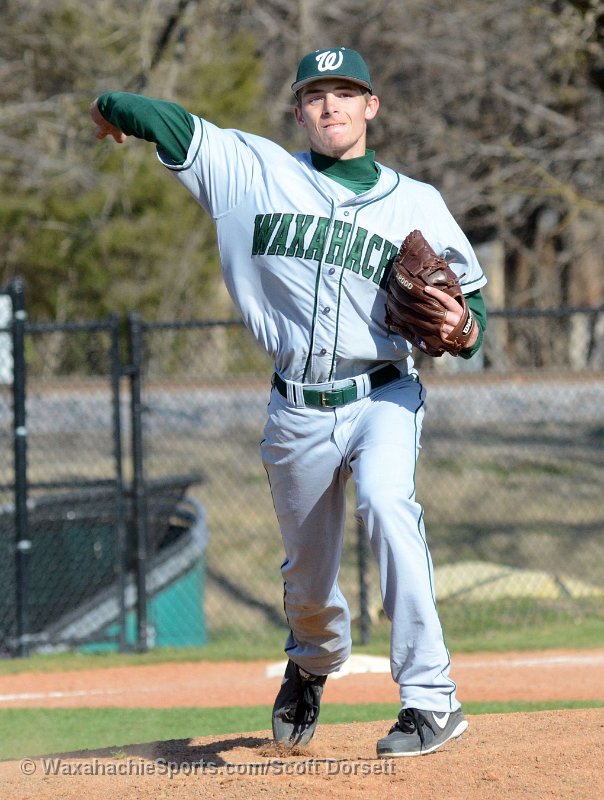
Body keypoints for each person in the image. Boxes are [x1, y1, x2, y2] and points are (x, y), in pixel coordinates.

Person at [90, 46, 487, 758]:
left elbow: (474, 312)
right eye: (315, 95)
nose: (331, 106)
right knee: (307, 579)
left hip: (383, 394)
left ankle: (432, 700)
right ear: (299, 111)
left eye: (346, 92)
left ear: (371, 106)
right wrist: (108, 109)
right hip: (295, 408)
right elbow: (167, 120)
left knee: (388, 506)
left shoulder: (418, 202)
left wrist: (464, 327)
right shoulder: (253, 173)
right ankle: (311, 660)